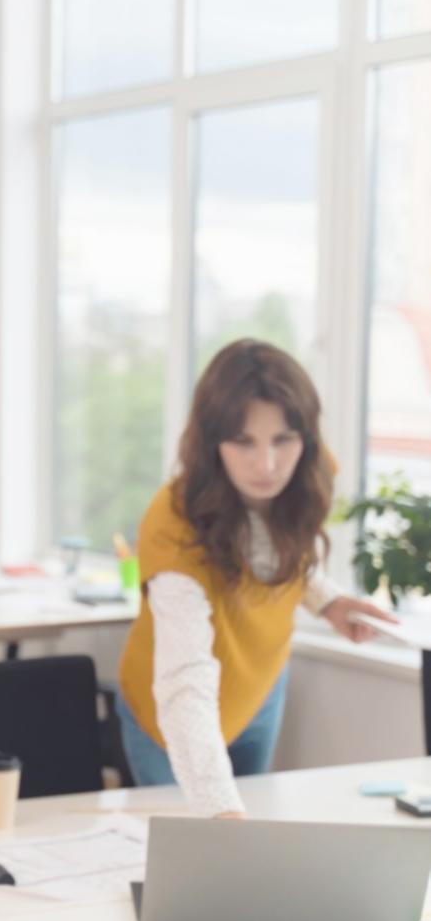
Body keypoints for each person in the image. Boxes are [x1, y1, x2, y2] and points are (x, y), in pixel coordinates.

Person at [118, 338, 395, 817]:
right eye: (243, 441)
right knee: (196, 856)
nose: (266, 465)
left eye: (283, 440)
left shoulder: (309, 474)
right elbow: (186, 682)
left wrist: (328, 601)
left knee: (249, 853)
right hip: (172, 714)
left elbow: (279, 549)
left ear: (304, 437)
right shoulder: (172, 520)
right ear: (211, 442)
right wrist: (222, 810)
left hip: (259, 690)